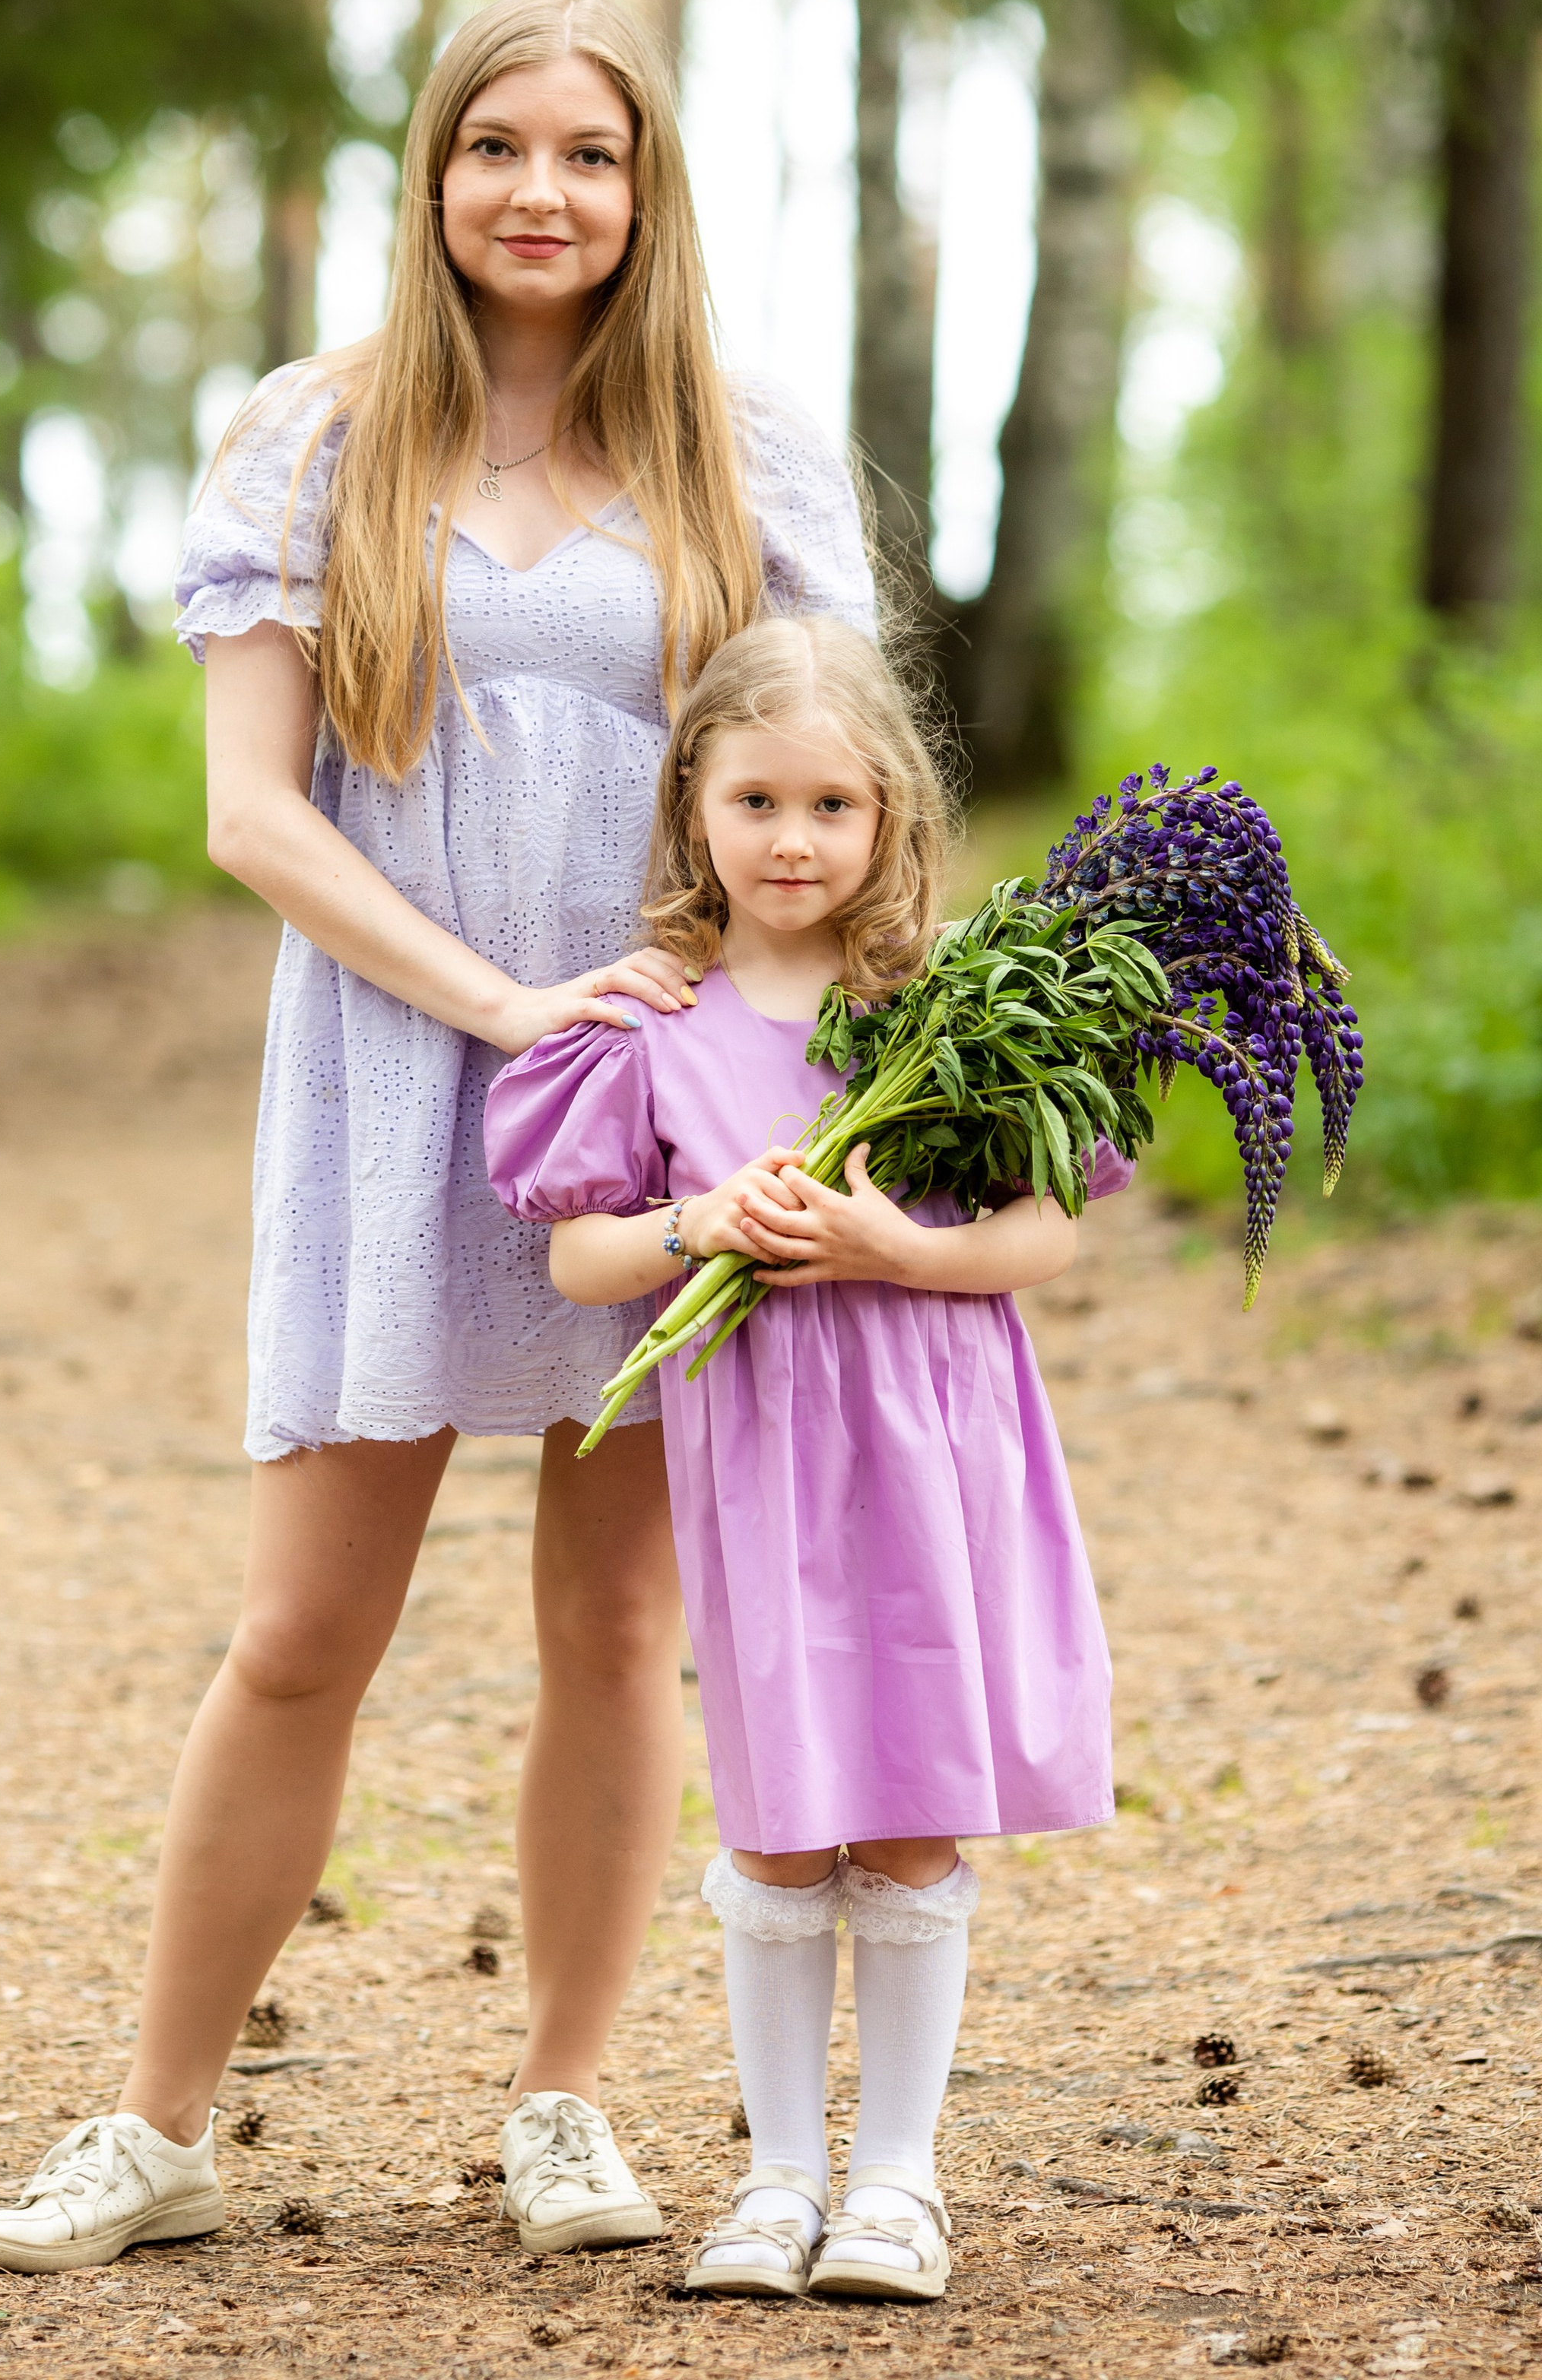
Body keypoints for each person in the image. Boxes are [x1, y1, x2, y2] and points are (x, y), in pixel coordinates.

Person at [0, 0, 875, 2276]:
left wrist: (778, 1052)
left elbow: (830, 794)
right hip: (397, 1076)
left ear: (647, 190)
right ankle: (158, 2127)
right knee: (299, 1628)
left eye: (589, 154)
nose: (539, 192)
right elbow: (253, 816)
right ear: (433, 171)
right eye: (496, 147)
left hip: (669, 1098)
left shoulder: (752, 454)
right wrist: (502, 1010)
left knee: (615, 1623)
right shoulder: (315, 434)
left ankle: (563, 2104)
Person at [484, 615, 1129, 2308]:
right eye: (755, 800)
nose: (792, 840)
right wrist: (696, 1221)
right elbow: (579, 1257)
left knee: (908, 1809)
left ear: (889, 813)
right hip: (762, 1457)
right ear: (690, 807)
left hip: (931, 1440)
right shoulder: (649, 1024)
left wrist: (892, 1248)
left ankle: (898, 2182)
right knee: (778, 1820)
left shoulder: (953, 1006)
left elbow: (1045, 1234)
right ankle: (777, 2177)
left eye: (832, 806)